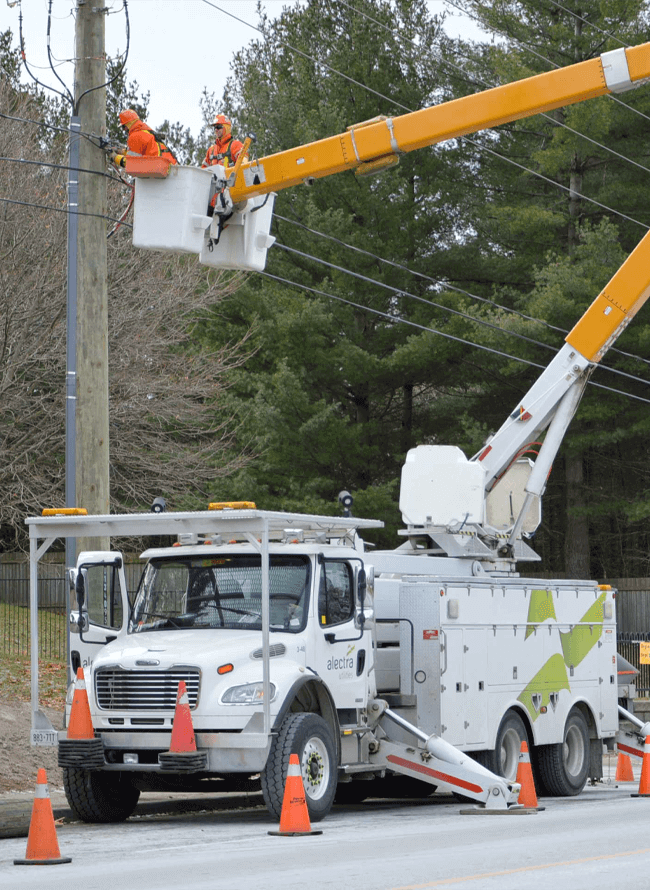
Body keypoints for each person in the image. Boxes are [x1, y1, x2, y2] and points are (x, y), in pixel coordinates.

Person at [111, 109, 177, 167]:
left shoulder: (135, 136)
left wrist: (115, 157)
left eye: (123, 127)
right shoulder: (145, 131)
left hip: (160, 170)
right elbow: (139, 155)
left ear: (128, 124)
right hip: (171, 168)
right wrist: (121, 151)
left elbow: (131, 163)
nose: (124, 130)